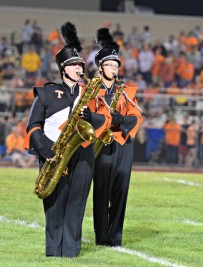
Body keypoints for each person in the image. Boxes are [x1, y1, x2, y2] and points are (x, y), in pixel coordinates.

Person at [24, 22, 110, 257]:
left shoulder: (90, 94)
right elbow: (33, 126)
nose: (78, 68)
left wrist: (90, 116)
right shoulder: (47, 92)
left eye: (80, 65)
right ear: (63, 68)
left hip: (82, 153)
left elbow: (104, 121)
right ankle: (53, 251)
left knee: (76, 204)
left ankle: (71, 251)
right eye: (73, 65)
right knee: (54, 206)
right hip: (52, 153)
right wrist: (45, 151)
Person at [92, 28, 142, 247]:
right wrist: (108, 120)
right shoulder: (91, 91)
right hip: (100, 144)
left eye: (116, 65)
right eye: (110, 65)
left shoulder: (126, 91)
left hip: (123, 144)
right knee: (101, 191)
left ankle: (116, 237)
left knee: (121, 190)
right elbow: (88, 118)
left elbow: (136, 117)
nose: (114, 68)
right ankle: (101, 236)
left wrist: (119, 120)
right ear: (100, 67)